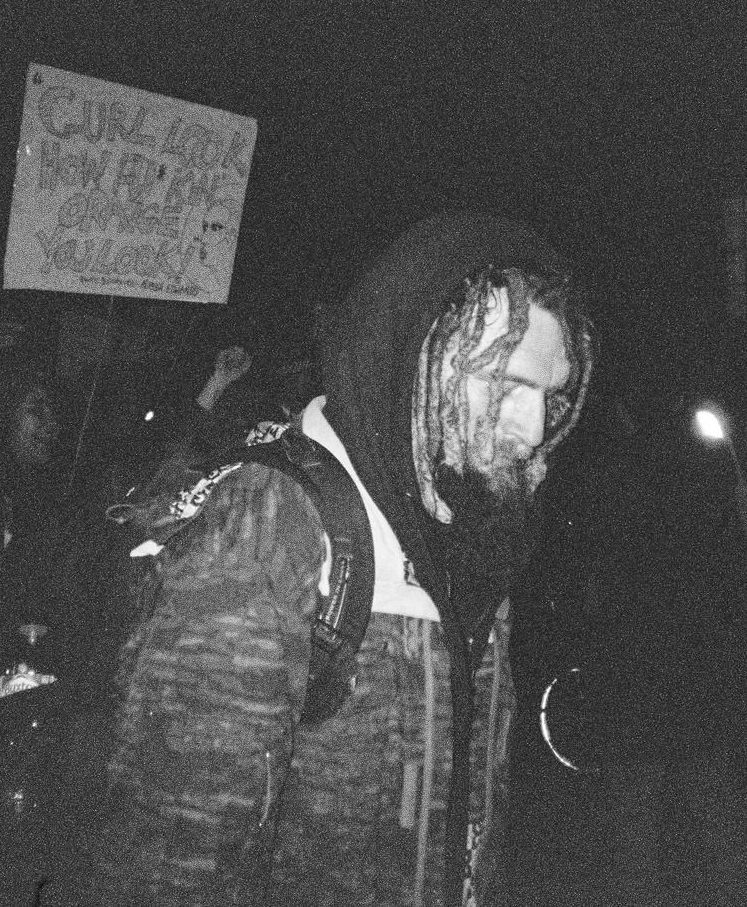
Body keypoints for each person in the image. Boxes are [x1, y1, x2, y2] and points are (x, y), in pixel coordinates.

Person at [88, 213, 595, 906]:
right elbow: (175, 860)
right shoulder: (272, 524)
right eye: (505, 384)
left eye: (549, 395)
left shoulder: (468, 525)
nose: (532, 429)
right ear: (412, 356)